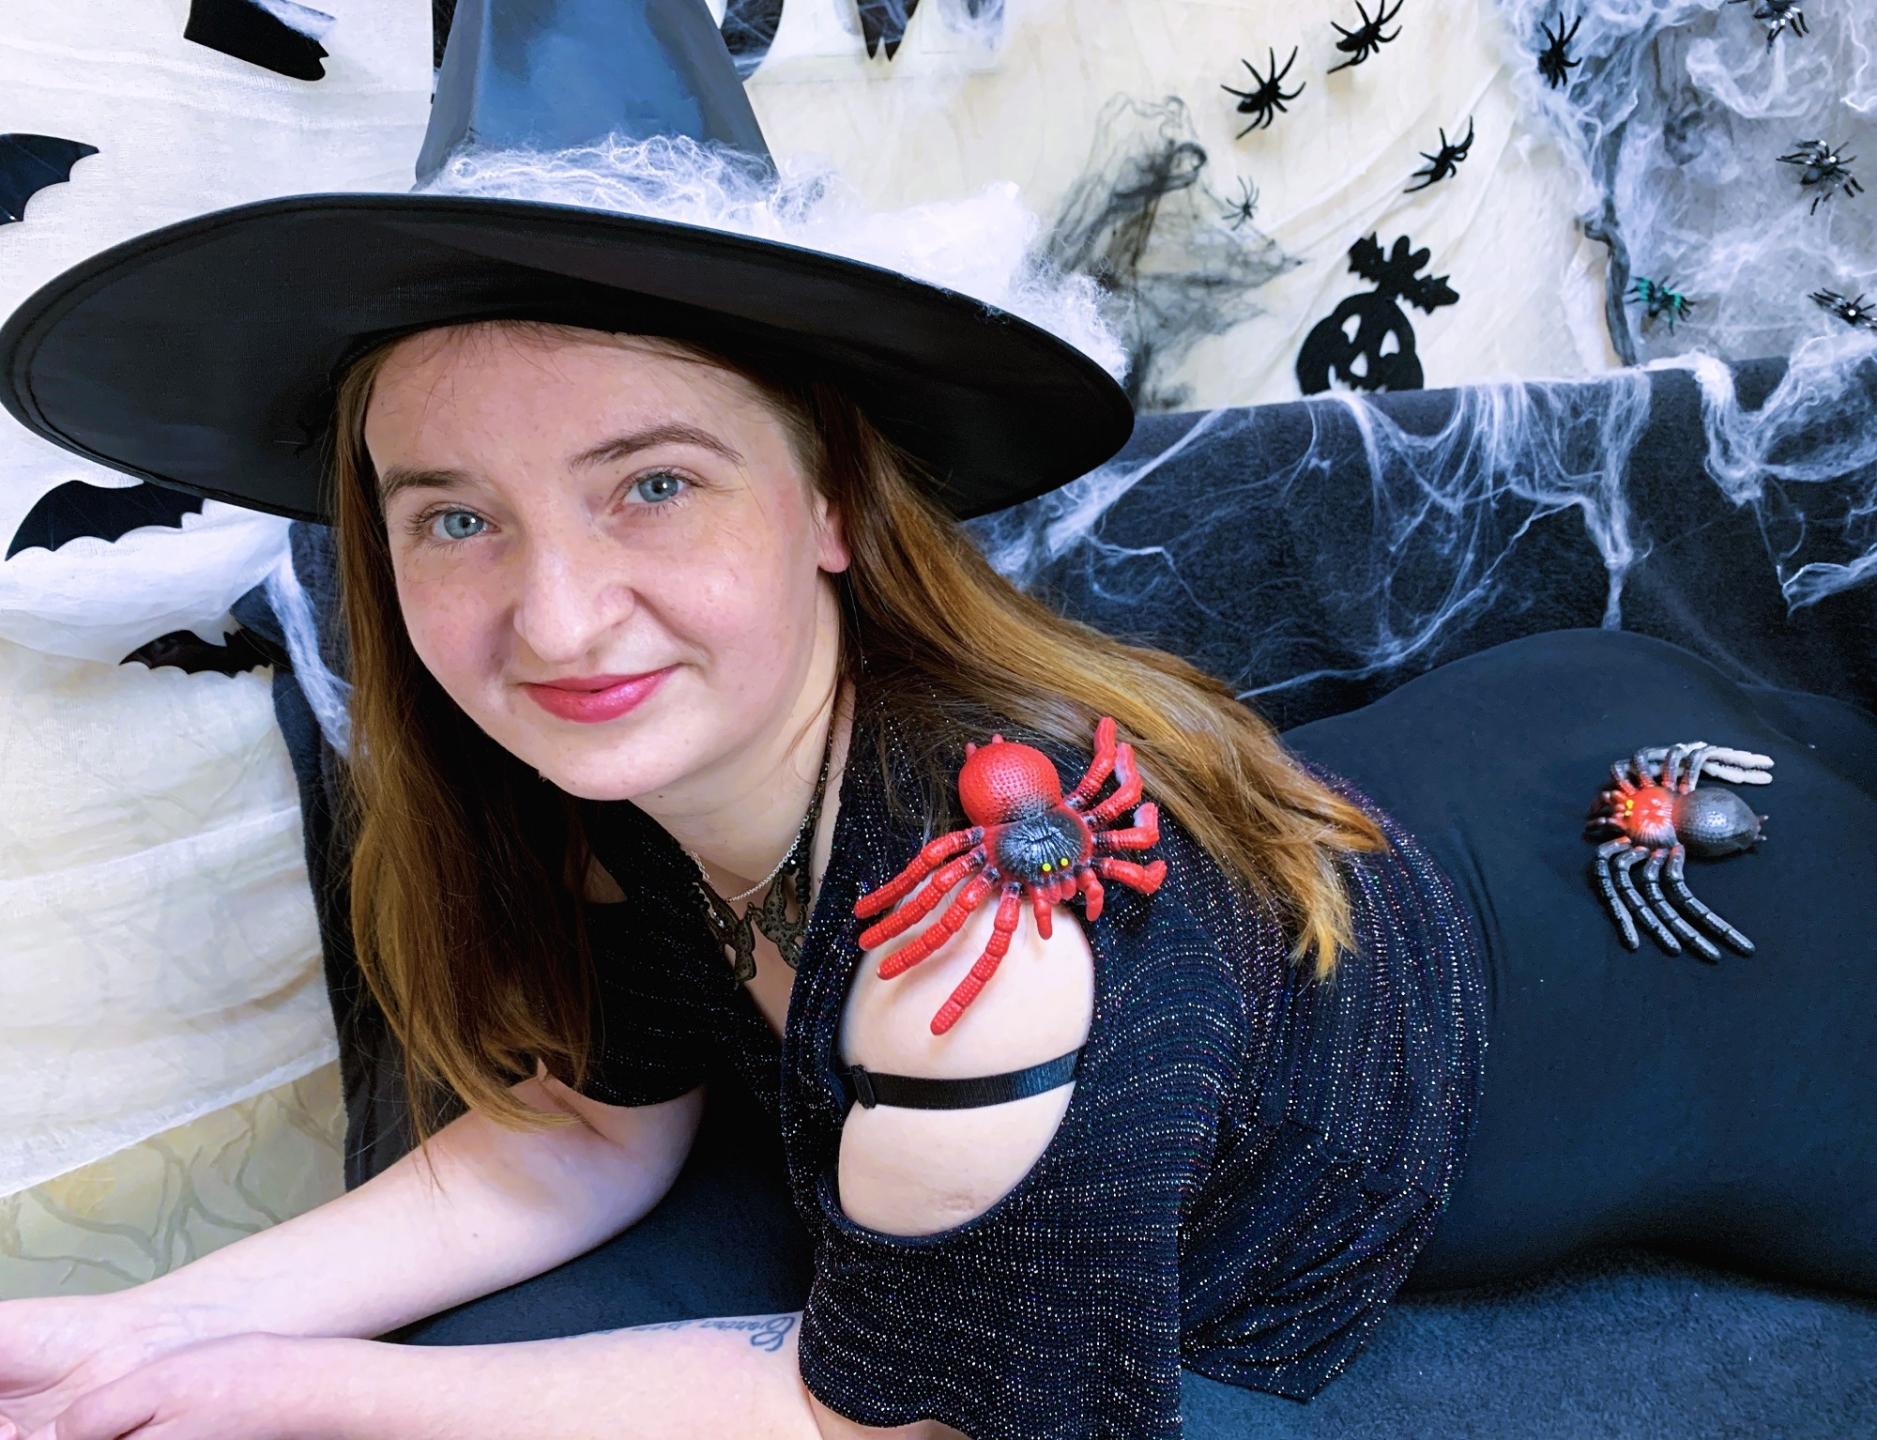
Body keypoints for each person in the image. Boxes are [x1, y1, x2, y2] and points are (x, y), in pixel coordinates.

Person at [0, 3, 1873, 1438]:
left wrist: (296, 1393)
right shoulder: (625, 784)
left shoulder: (989, 940)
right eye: (456, 518)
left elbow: (890, 1418)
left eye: (653, 485)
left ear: (829, 502)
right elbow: (577, 1134)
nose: (555, 619)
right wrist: (141, 1329)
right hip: (1469, 765)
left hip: (1688, 925)